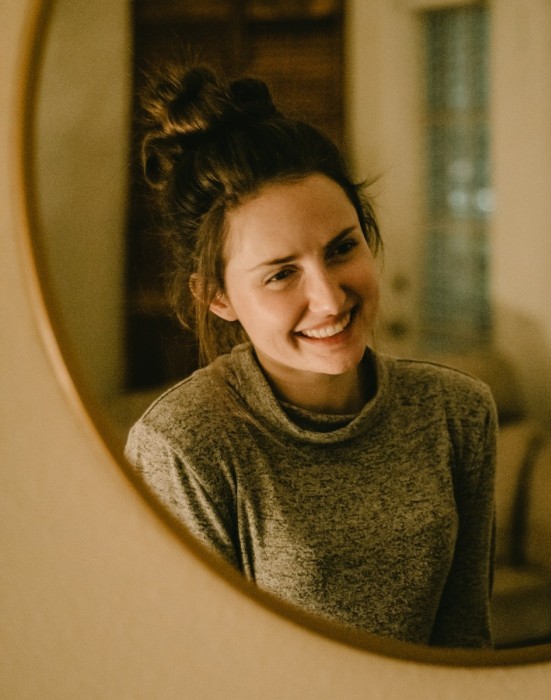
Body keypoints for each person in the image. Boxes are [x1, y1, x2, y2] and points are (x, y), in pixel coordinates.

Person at [124, 65, 497, 649]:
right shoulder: (183, 447)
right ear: (217, 297)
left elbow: (466, 645)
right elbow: (187, 672)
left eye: (342, 247)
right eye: (280, 274)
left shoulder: (458, 413)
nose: (329, 298)